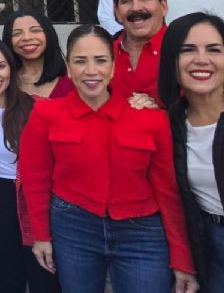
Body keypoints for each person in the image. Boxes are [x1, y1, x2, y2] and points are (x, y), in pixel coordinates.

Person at [21, 25, 198, 292]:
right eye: (80, 61)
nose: (91, 71)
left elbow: (168, 190)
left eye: (101, 60)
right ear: (68, 68)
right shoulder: (46, 114)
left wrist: (182, 258)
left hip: (142, 232)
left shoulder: (150, 119)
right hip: (73, 227)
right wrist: (41, 236)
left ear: (113, 68)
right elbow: (36, 179)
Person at [0, 36, 59, 293]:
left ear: (11, 68)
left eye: (0, 66)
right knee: (9, 278)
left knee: (45, 279)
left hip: (35, 202)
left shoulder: (37, 108)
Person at [159, 13, 224, 290]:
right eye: (187, 50)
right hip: (208, 244)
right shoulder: (171, 124)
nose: (201, 59)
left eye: (214, 49)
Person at [110, 0, 169, 103]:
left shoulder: (186, 49)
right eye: (126, 1)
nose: (136, 7)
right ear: (117, 12)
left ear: (163, 6)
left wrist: (161, 111)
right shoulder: (104, 53)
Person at [1, 9, 73, 98]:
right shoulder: (3, 81)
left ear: (48, 34)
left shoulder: (73, 78)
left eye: (35, 30)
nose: (27, 38)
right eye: (17, 33)